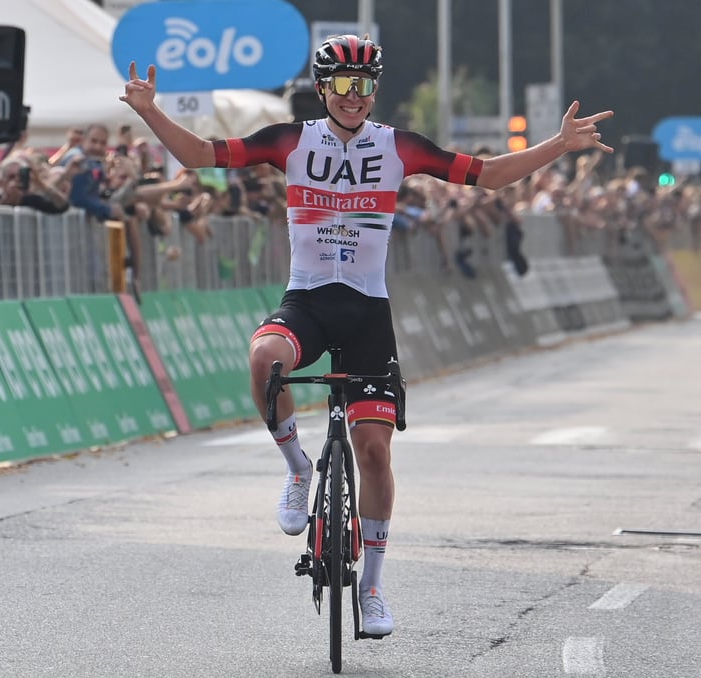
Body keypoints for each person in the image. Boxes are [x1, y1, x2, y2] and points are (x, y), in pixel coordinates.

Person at [119, 34, 614, 637]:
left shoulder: (398, 147)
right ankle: (299, 468)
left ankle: (373, 587)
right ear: (324, 87)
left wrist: (558, 145)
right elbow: (200, 155)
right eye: (344, 85)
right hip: (307, 301)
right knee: (263, 357)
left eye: (366, 85)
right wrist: (149, 111)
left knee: (375, 452)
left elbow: (486, 176)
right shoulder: (290, 140)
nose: (355, 97)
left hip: (367, 312)